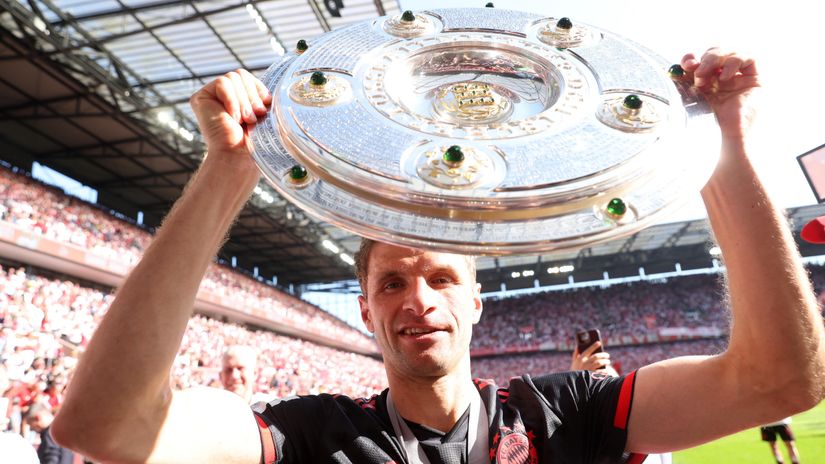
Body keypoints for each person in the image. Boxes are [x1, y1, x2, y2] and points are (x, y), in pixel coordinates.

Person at [50, 48, 825, 463]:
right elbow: (104, 428)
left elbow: (780, 379)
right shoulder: (309, 435)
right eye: (390, 282)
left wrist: (723, 146)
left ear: (476, 300)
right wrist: (228, 173)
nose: (416, 298)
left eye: (440, 277)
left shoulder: (565, 414)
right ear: (365, 310)